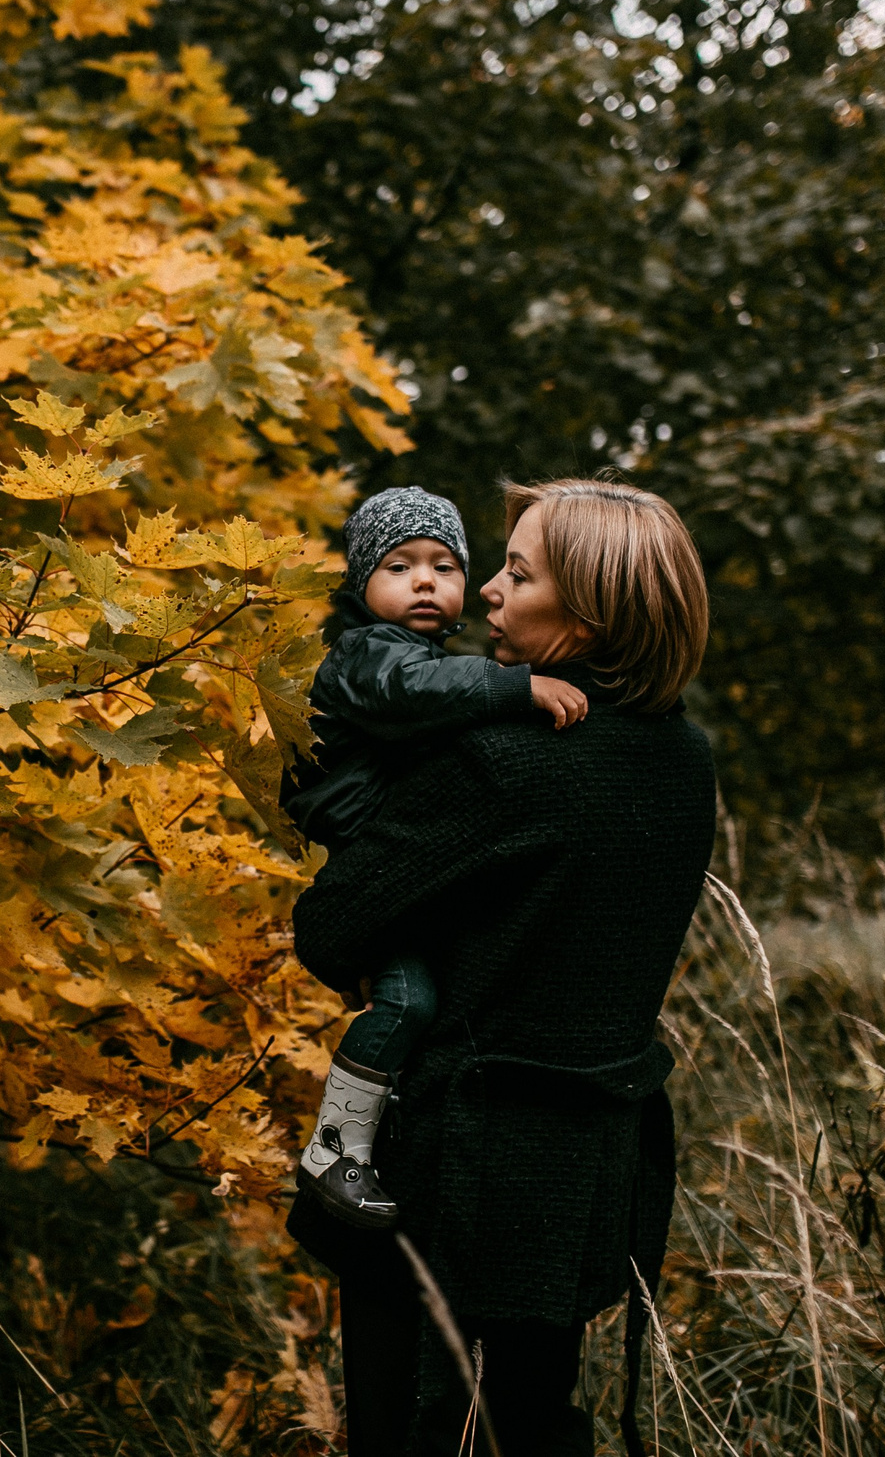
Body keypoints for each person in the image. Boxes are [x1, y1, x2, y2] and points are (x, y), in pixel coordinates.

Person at [284, 478, 716, 1457]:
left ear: (589, 615)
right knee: (531, 1419)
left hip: (451, 1176)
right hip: (583, 1167)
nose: (485, 589)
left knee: (416, 1428)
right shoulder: (683, 758)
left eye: (517, 574)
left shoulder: (503, 761)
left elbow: (332, 926)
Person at [286, 486, 591, 1229]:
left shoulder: (430, 662)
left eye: (444, 566)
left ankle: (382, 1127)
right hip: (371, 854)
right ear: (361, 585)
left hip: (400, 860)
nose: (425, 581)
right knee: (405, 1002)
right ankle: (333, 1149)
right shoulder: (370, 654)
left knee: (425, 1000)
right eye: (399, 566)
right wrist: (518, 687)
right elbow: (415, 690)